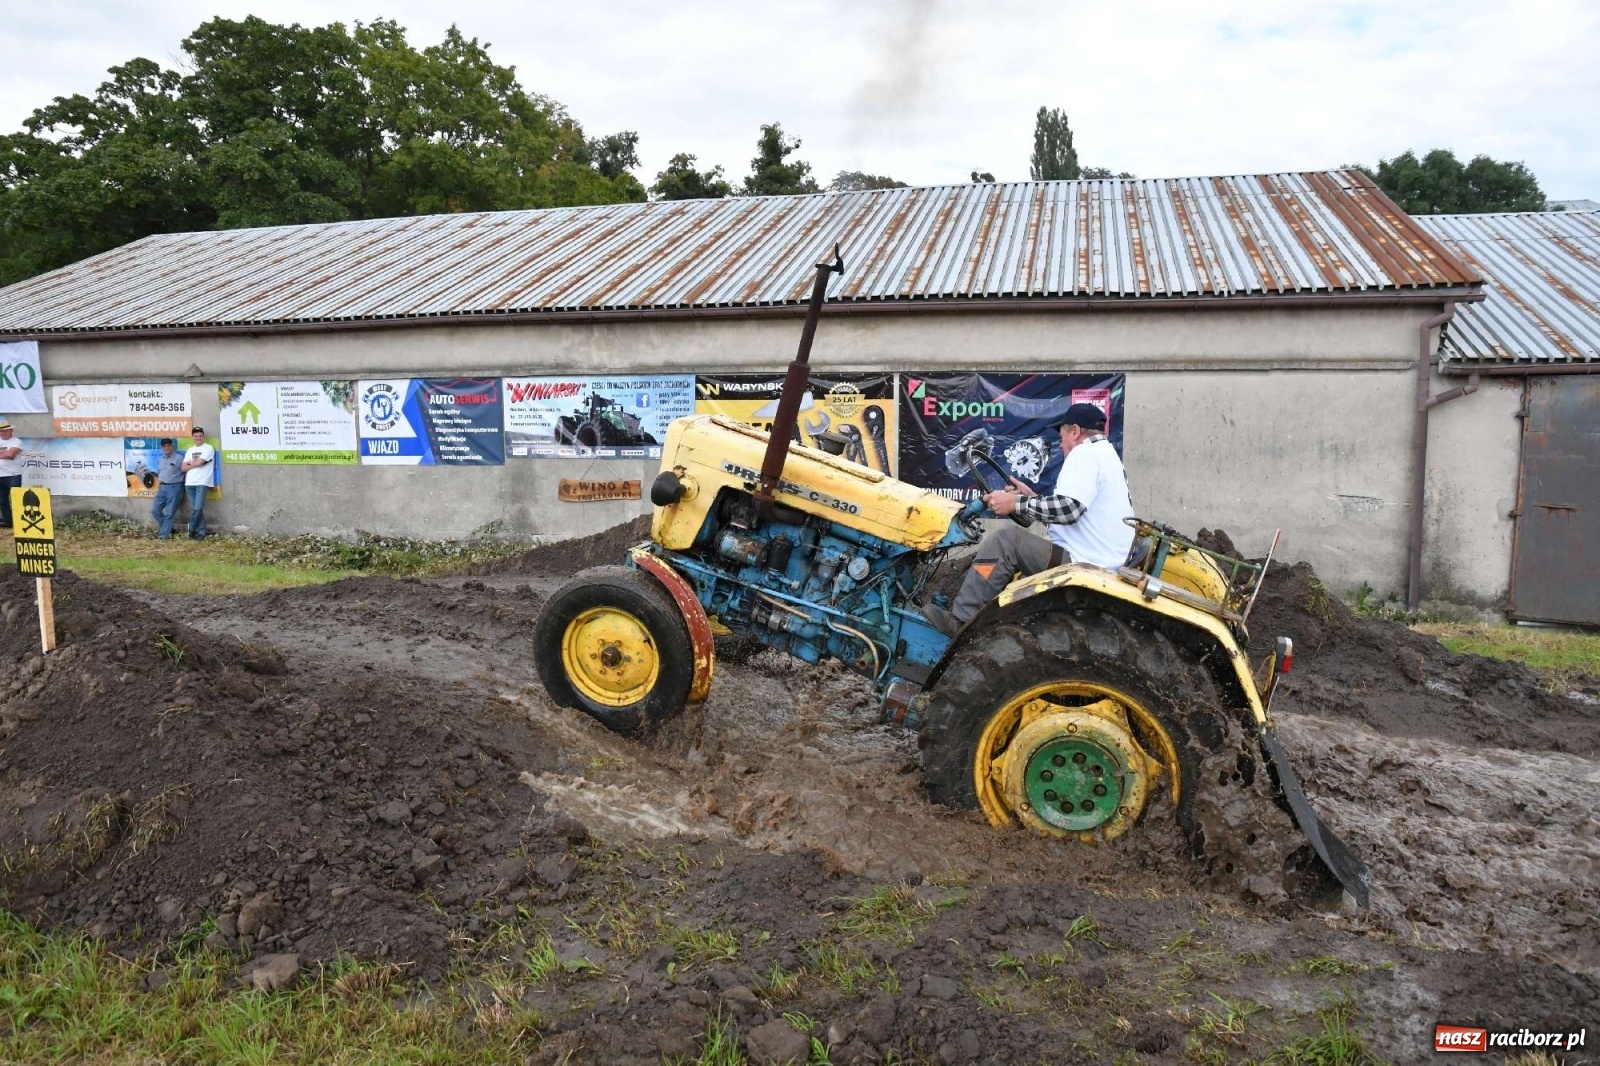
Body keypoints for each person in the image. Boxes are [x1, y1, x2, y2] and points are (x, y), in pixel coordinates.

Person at [923, 403, 1134, 636]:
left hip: (1085, 563)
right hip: (1101, 559)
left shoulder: (1084, 454)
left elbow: (1069, 509)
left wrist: (1014, 503)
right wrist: (1031, 498)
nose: (1061, 445)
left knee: (1006, 541)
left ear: (1074, 431)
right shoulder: (1106, 455)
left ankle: (960, 621)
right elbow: (1076, 514)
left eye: (1061, 437)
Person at [180, 426, 216, 540]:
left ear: (203, 436)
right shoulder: (190, 450)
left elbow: (200, 462)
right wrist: (194, 463)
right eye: (196, 436)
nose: (198, 438)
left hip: (202, 481)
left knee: (197, 508)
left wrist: (191, 463)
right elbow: (183, 468)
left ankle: (191, 528)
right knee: (196, 508)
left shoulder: (208, 448)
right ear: (193, 437)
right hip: (189, 483)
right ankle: (201, 532)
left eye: (200, 435)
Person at [150, 437, 185, 539]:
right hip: (162, 488)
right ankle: (169, 529)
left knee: (170, 513)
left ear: (172, 446)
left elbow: (185, 471)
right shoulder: (160, 459)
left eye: (168, 445)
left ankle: (163, 537)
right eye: (164, 446)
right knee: (155, 511)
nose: (166, 448)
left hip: (175, 487)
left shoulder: (179, 458)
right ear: (161, 447)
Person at [0, 419, 22, 533]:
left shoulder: (16, 441)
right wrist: (4, 453)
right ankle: (7, 521)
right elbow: (6, 454)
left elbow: (10, 455)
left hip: (13, 475)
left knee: (16, 499)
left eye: (6, 430)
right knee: (2, 500)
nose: (4, 433)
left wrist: (5, 454)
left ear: (11, 430)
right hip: (0, 475)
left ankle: (19, 521)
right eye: (2, 431)